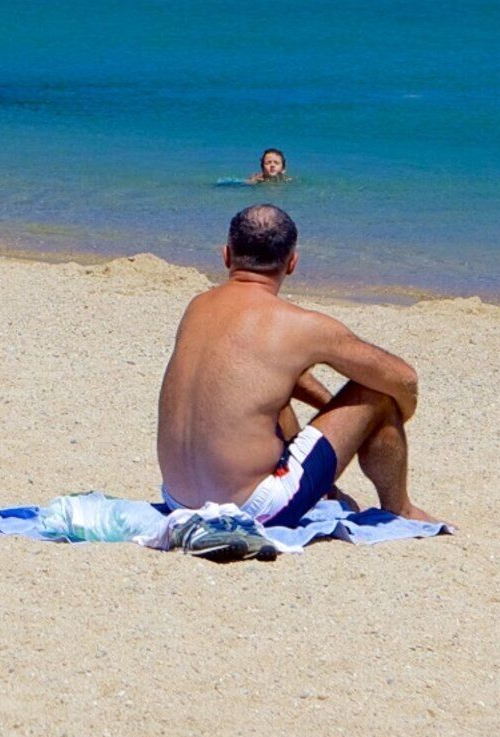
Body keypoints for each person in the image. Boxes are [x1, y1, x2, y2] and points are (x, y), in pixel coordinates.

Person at [155, 203, 432, 531]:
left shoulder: (197, 306)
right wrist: (374, 420)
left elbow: (263, 373)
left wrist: (332, 411)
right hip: (251, 508)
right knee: (378, 392)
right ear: (293, 263)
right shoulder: (300, 325)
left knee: (271, 389)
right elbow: (403, 379)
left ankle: (324, 489)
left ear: (227, 255)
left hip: (177, 498)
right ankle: (400, 508)